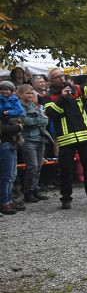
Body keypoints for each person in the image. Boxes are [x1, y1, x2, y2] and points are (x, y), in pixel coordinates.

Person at [44, 69, 87, 209]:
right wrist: (62, 98)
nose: (62, 79)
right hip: (66, 137)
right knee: (66, 170)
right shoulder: (48, 96)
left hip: (85, 134)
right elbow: (51, 113)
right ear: (51, 80)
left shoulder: (77, 89)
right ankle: (66, 199)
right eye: (58, 77)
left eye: (62, 76)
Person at [17, 83, 54, 202]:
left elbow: (45, 120)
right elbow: (25, 121)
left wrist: (37, 121)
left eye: (31, 92)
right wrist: (38, 121)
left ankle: (34, 189)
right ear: (20, 94)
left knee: (38, 167)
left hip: (40, 139)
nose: (30, 95)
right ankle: (28, 192)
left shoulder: (34, 105)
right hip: (28, 140)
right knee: (32, 167)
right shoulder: (19, 106)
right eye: (27, 93)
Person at [0, 81, 24, 214]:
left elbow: (20, 113)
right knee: (7, 175)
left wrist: (18, 124)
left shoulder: (14, 100)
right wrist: (18, 127)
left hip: (12, 142)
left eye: (6, 89)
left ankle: (8, 199)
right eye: (1, 89)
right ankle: (4, 202)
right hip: (5, 142)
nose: (4, 92)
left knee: (12, 175)